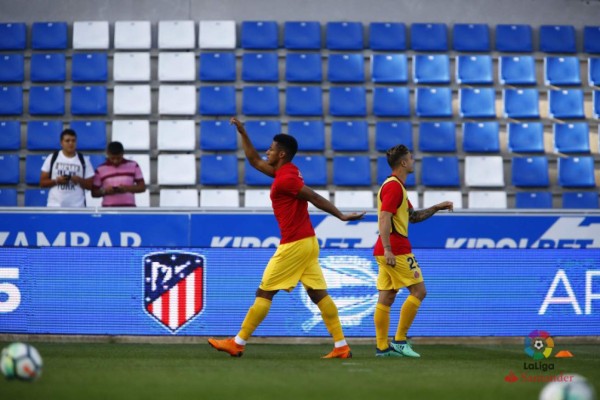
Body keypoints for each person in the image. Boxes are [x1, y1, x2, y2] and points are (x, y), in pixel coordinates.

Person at [208, 117, 365, 359]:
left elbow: (313, 196)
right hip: (307, 243)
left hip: (294, 244)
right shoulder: (287, 171)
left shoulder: (286, 179)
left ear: (281, 154)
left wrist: (340, 216)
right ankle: (341, 346)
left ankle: (237, 343)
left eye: (270, 149)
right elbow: (254, 161)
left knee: (264, 293)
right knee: (318, 295)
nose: (266, 152)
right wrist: (243, 133)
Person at [373, 144, 453, 358]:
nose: (413, 160)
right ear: (403, 162)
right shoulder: (393, 187)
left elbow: (413, 217)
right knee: (419, 291)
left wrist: (436, 207)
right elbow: (384, 217)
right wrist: (389, 249)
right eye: (410, 157)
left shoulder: (396, 186)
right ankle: (399, 341)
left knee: (387, 296)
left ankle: (382, 348)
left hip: (385, 249)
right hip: (395, 249)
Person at [39, 128, 94, 207]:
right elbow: (42, 183)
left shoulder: (84, 160)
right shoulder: (52, 157)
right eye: (67, 141)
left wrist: (79, 180)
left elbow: (91, 186)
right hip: (55, 206)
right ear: (61, 143)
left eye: (73, 140)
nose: (71, 143)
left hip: (77, 207)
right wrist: (57, 181)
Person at [91, 141, 146, 207]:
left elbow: (142, 187)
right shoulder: (100, 169)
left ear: (123, 154)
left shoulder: (133, 165)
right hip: (108, 210)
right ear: (107, 154)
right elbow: (94, 193)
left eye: (118, 158)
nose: (115, 161)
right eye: (112, 158)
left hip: (129, 209)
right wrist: (105, 191)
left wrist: (127, 188)